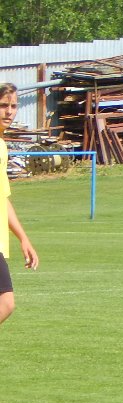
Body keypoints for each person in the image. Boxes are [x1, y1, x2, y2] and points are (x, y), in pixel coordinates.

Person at [0, 82, 39, 326]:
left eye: (13, 106)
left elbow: (2, 197)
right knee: (6, 302)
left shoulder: (2, 146)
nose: (9, 112)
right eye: (3, 105)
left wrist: (23, 238)